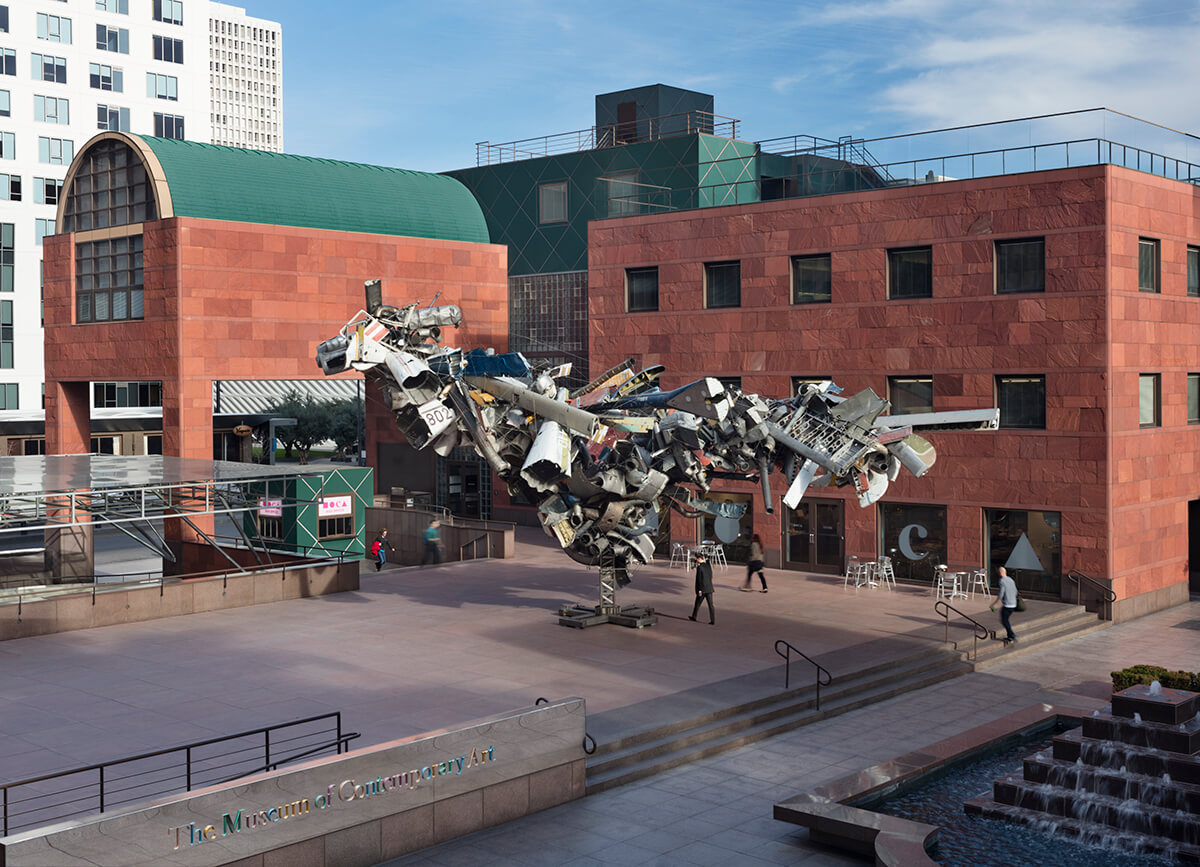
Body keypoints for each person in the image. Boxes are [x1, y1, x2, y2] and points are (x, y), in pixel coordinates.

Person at [989, 566, 1018, 645]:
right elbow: (1015, 591)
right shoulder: (1011, 580)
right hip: (1013, 604)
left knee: (1004, 620)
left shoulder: (1002, 581)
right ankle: (1010, 636)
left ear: (1000, 573)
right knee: (1006, 620)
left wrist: (993, 604)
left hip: (1007, 605)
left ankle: (1012, 635)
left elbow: (1001, 594)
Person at [688, 552, 715, 625]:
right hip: (709, 588)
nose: (697, 561)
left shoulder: (699, 567)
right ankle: (713, 620)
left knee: (697, 603)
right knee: (711, 605)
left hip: (702, 589)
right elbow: (710, 576)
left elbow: (699, 579)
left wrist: (699, 590)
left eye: (697, 559)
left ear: (699, 559)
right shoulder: (708, 566)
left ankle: (694, 616)